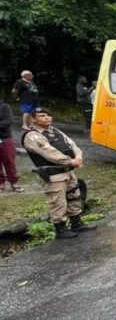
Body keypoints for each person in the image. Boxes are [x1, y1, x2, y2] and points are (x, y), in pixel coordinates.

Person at [22, 107, 96, 239]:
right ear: (33, 118)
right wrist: (70, 161)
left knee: (74, 197)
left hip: (68, 171)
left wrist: (78, 157)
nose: (47, 118)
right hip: (53, 175)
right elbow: (49, 152)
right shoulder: (32, 136)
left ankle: (76, 224)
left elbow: (72, 144)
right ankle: (60, 230)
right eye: (42, 115)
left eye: (49, 115)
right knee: (58, 202)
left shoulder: (55, 131)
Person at [0, 97, 23, 192]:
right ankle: (1, 183)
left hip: (5, 138)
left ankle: (14, 182)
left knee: (9, 161)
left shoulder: (4, 107)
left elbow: (8, 121)